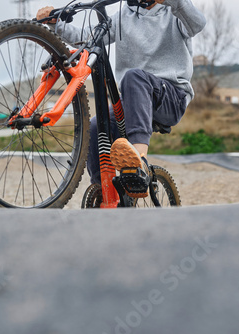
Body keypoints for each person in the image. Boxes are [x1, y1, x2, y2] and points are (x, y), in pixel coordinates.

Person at [37, 0, 206, 198]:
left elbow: (197, 24)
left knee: (134, 77)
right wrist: (56, 24)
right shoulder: (124, 16)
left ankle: (139, 161)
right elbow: (85, 37)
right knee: (95, 127)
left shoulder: (173, 11)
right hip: (135, 101)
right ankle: (106, 193)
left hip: (171, 98)